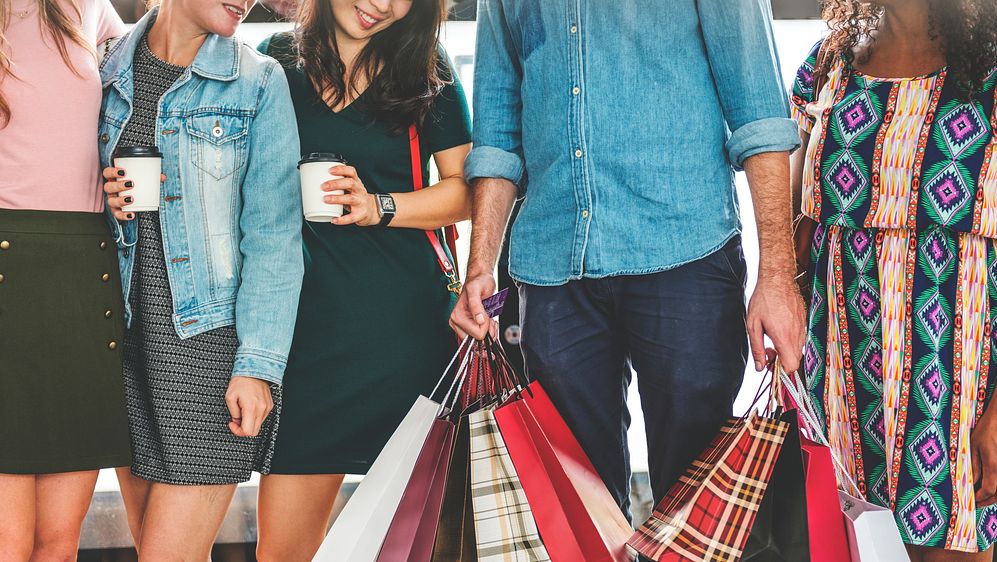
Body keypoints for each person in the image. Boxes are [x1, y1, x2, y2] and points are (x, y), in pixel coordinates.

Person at [450, 0, 805, 523]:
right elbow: (498, 132)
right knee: (575, 512)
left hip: (686, 255)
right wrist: (480, 265)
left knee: (696, 515)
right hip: (552, 269)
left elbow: (759, 116)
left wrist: (776, 274)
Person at [253, 0, 472, 558]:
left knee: (404, 550)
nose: (385, 5)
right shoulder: (275, 61)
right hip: (303, 341)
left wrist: (380, 206)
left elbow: (467, 190)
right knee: (281, 553)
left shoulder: (425, 63)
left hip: (404, 337)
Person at [790, 0, 997, 558]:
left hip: (955, 382)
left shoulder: (993, 71)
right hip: (841, 377)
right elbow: (799, 237)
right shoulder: (826, 68)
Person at [98, 0, 303, 557]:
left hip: (211, 354)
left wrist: (258, 367)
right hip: (122, 345)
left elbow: (274, 237)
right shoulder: (107, 66)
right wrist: (104, 196)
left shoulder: (258, 81)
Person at [0, 0, 131, 557]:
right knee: (9, 540)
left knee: (59, 540)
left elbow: (147, 90)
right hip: (9, 259)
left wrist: (121, 172)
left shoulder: (89, 7)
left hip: (82, 266)